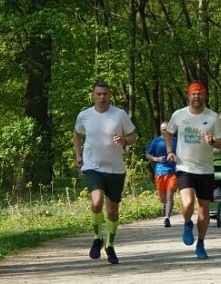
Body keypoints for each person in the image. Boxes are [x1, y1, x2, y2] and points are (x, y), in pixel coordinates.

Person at [73, 80, 137, 265]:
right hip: (93, 166)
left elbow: (133, 137)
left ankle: (109, 245)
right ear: (93, 95)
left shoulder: (120, 115)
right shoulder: (84, 115)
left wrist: (124, 141)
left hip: (115, 169)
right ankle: (96, 237)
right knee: (97, 201)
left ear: (110, 95)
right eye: (99, 94)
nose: (102, 97)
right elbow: (77, 133)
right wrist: (78, 155)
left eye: (105, 94)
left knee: (112, 211)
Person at [164, 81, 221, 260]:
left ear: (204, 96)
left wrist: (212, 141)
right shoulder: (179, 114)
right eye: (193, 94)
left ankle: (201, 243)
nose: (196, 97)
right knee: (188, 203)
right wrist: (169, 151)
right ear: (188, 96)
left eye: (200, 94)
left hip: (205, 169)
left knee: (204, 208)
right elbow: (168, 132)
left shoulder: (213, 117)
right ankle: (187, 223)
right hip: (184, 167)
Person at [145, 122, 177, 228]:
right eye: (162, 129)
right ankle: (165, 205)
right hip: (160, 171)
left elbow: (183, 154)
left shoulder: (176, 141)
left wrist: (176, 158)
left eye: (166, 129)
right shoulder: (156, 141)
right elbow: (147, 154)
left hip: (173, 171)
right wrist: (156, 159)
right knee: (163, 198)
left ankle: (167, 218)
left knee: (170, 194)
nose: (164, 131)